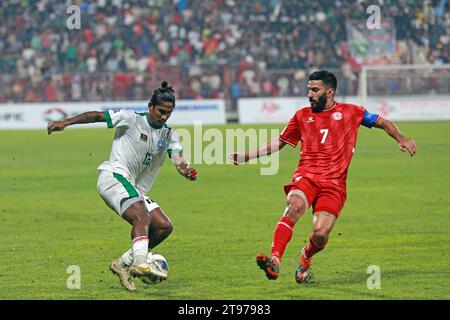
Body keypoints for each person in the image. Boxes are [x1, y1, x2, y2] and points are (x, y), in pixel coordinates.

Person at [229, 70, 416, 283]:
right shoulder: (301, 116)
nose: (309, 94)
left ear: (330, 92)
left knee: (320, 233)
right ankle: (275, 260)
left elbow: (383, 122)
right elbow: (280, 141)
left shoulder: (352, 112)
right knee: (294, 207)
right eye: (309, 89)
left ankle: (305, 257)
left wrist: (401, 138)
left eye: (315, 90)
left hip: (334, 185)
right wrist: (247, 156)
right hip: (306, 176)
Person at [47, 81, 197, 291]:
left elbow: (178, 157)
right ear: (150, 106)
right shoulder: (131, 118)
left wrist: (185, 170)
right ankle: (141, 263)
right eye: (161, 111)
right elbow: (97, 115)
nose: (164, 117)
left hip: (134, 188)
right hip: (113, 177)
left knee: (164, 227)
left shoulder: (169, 134)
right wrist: (66, 122)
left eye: (169, 113)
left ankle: (122, 264)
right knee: (141, 217)